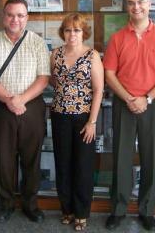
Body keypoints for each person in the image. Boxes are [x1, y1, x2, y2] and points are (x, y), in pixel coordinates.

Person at [103, 0, 155, 231]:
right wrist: (129, 98)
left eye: (141, 2)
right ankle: (119, 209)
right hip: (123, 104)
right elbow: (109, 73)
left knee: (150, 157)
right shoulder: (117, 38)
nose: (137, 7)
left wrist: (147, 98)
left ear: (149, 4)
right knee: (121, 158)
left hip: (152, 105)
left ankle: (147, 209)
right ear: (127, 6)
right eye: (132, 3)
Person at [0, 0, 50, 224]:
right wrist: (9, 100)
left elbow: (43, 78)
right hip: (2, 107)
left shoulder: (37, 42)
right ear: (4, 17)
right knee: (4, 160)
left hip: (31, 106)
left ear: (27, 18)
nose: (15, 19)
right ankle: (5, 204)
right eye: (11, 14)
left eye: (20, 15)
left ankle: (30, 204)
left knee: (32, 159)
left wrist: (21, 99)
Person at [50, 13, 104, 231]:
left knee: (83, 165)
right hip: (59, 115)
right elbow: (54, 81)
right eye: (68, 30)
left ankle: (81, 212)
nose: (72, 34)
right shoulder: (55, 54)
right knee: (63, 164)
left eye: (77, 30)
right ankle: (67, 209)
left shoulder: (92, 55)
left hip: (84, 118)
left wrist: (92, 122)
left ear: (84, 32)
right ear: (63, 32)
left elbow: (99, 90)